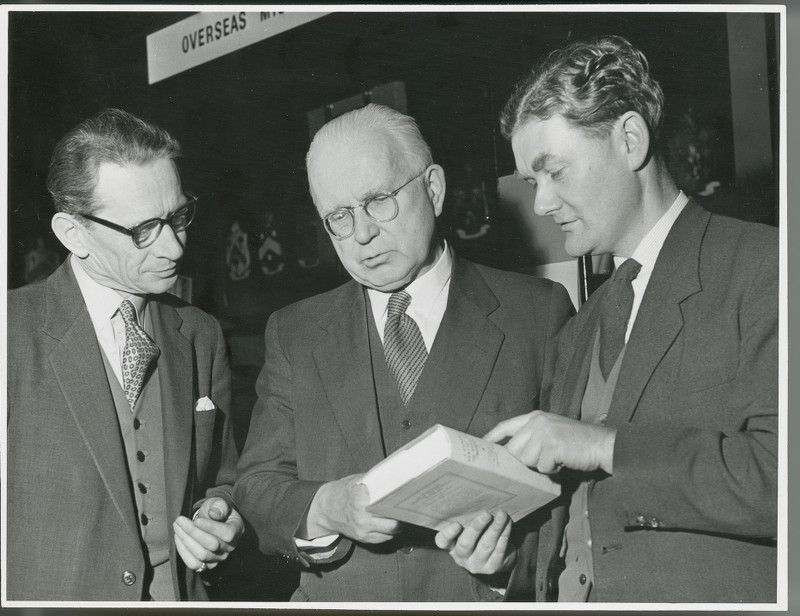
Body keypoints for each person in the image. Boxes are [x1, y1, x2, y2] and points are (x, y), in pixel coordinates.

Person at [234, 103, 574, 602]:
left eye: (378, 201)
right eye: (339, 217)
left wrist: (509, 564)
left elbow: (576, 502)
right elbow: (257, 487)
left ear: (433, 189)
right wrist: (327, 506)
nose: (362, 234)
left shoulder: (537, 314)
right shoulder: (295, 332)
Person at [484, 35, 778, 602]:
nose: (541, 203)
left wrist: (600, 445)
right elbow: (578, 531)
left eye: (555, 172)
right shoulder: (578, 327)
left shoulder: (763, 268)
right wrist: (503, 562)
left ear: (630, 139)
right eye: (530, 181)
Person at [7, 108, 244, 601]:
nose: (175, 248)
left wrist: (220, 514)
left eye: (179, 216)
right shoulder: (12, 332)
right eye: (143, 230)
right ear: (74, 234)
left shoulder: (200, 333)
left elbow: (224, 476)